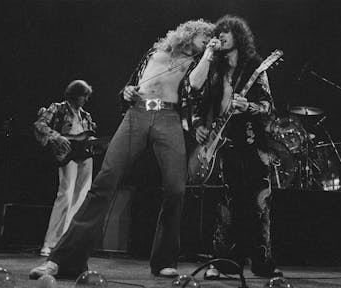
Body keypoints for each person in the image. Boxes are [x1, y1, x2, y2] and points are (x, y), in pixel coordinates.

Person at [29, 19, 214, 279]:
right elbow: (130, 86)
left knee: (175, 188)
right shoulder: (154, 53)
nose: (207, 42)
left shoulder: (199, 63)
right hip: (136, 115)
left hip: (168, 118)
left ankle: (164, 260)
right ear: (190, 33)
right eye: (204, 38)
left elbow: (193, 87)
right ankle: (63, 260)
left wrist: (207, 55)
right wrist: (127, 92)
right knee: (105, 182)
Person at [189, 15, 282, 278]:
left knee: (259, 205)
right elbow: (196, 97)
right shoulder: (214, 68)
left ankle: (262, 262)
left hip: (253, 144)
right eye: (220, 31)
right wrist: (197, 124)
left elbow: (268, 106)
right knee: (227, 207)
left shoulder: (255, 67)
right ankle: (224, 262)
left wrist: (248, 107)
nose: (222, 35)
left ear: (239, 36)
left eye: (228, 31)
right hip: (224, 145)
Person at [33, 80, 95, 257]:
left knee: (81, 199)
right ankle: (50, 243)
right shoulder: (58, 107)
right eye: (84, 95)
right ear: (75, 94)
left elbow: (89, 135)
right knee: (65, 196)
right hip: (67, 155)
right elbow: (39, 125)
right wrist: (56, 136)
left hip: (85, 156)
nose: (86, 99)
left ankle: (66, 242)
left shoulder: (86, 115)